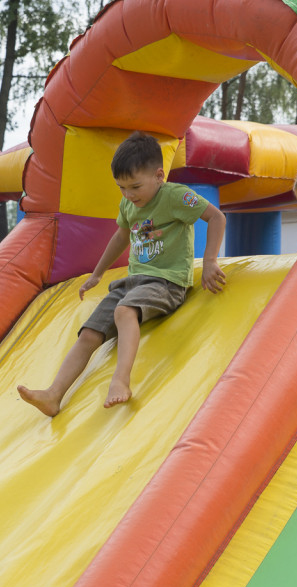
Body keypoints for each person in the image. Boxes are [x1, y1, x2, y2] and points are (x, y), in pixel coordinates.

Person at [18, 131, 227, 417]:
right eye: (121, 188)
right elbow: (121, 236)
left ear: (159, 175)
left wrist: (211, 260)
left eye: (135, 186)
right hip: (133, 281)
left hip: (166, 282)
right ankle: (53, 395)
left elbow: (216, 217)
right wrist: (96, 274)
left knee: (124, 311)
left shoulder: (176, 196)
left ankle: (121, 380)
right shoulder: (129, 203)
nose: (129, 194)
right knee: (89, 332)